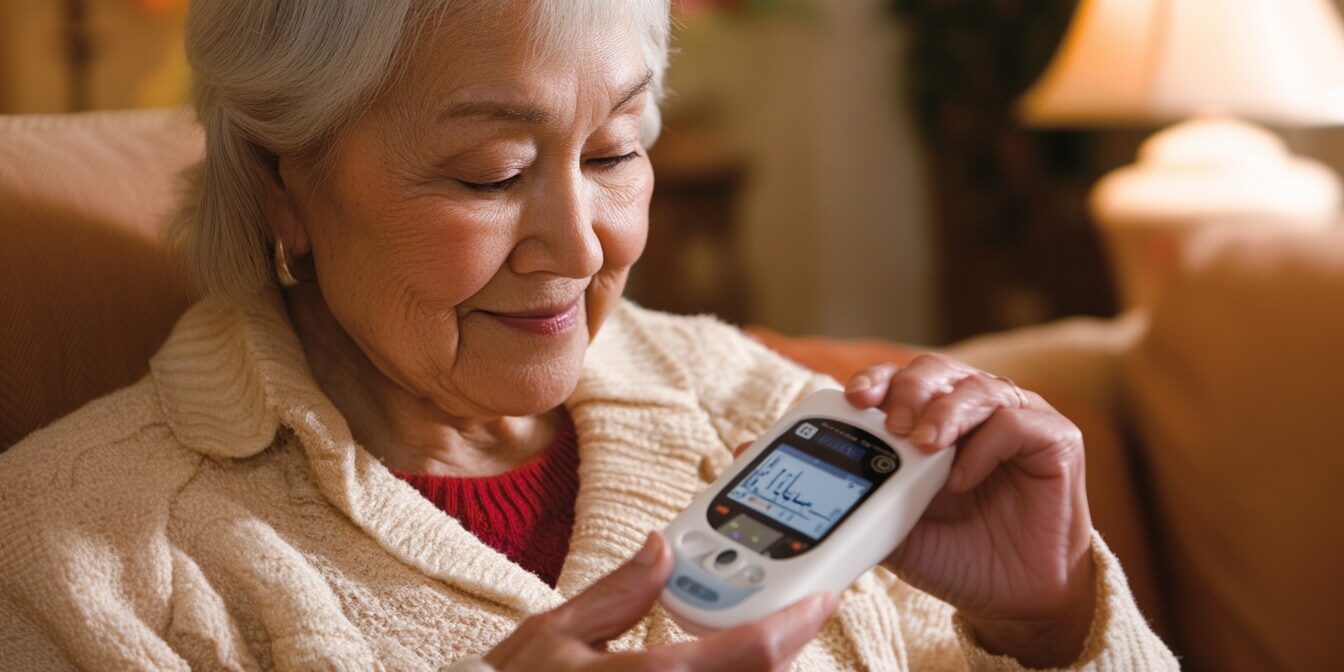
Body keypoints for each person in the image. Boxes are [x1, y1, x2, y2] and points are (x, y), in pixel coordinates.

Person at [0, 1, 1177, 670]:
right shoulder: (80, 559)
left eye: (617, 151)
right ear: (278, 185)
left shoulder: (754, 410)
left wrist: (1053, 624)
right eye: (490, 172)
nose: (581, 243)